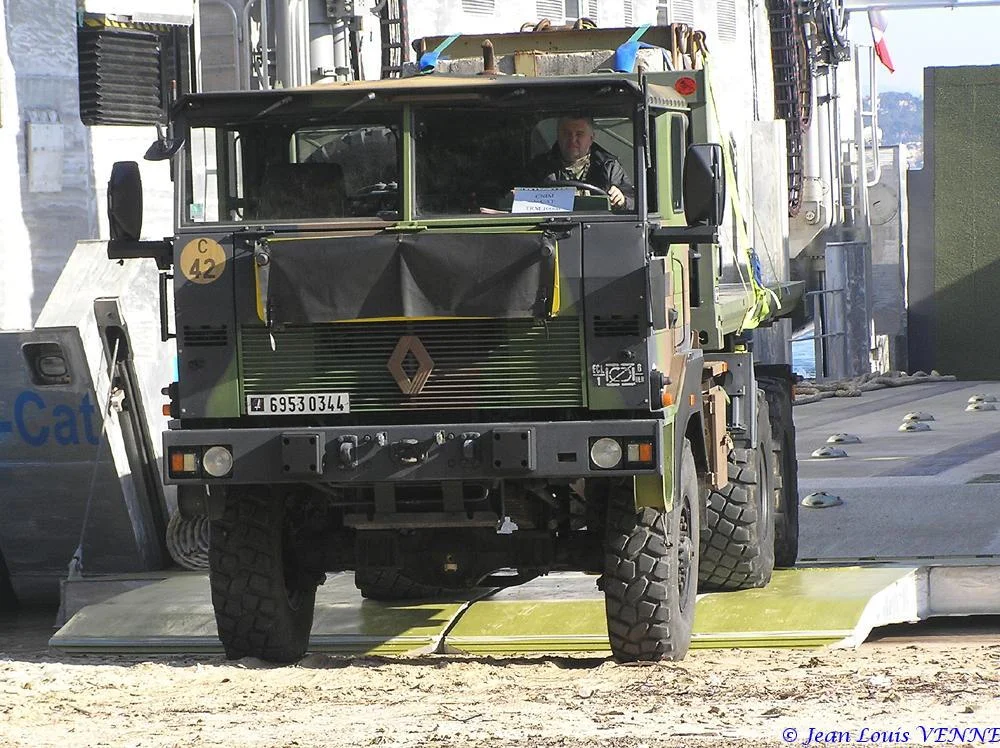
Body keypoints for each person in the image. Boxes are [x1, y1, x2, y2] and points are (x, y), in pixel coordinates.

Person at [527, 115, 635, 211]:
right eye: (566, 133)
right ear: (558, 136)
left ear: (591, 138)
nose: (572, 139)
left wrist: (622, 200)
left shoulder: (609, 167)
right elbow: (521, 201)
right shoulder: (539, 167)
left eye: (579, 134)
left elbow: (633, 202)